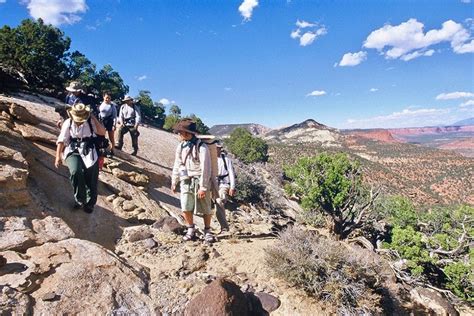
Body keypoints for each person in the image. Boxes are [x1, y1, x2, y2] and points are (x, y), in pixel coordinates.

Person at [55, 103, 106, 213]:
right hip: (73, 150)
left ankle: (90, 203)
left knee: (91, 176)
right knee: (75, 171)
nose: (79, 120)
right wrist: (57, 156)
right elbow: (62, 139)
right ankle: (80, 199)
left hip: (89, 151)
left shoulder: (91, 122)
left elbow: (102, 132)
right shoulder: (68, 122)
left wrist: (92, 117)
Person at [171, 119, 215, 243]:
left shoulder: (202, 147)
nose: (179, 134)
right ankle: (191, 229)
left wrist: (203, 187)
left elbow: (206, 168)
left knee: (205, 207)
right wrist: (174, 180)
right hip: (186, 180)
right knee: (185, 206)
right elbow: (177, 164)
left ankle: (207, 231)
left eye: (180, 132)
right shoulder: (181, 146)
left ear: (186, 133)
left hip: (199, 179)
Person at [214, 144, 236, 232]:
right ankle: (223, 226)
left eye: (217, 148)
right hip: (214, 184)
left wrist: (232, 187)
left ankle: (224, 227)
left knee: (219, 201)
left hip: (224, 184)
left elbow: (231, 173)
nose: (216, 150)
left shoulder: (226, 160)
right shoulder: (210, 159)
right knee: (218, 205)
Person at [98, 92, 117, 157]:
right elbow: (99, 113)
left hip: (110, 121)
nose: (107, 99)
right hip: (102, 121)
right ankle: (102, 148)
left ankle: (112, 149)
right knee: (101, 135)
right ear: (103, 97)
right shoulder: (101, 104)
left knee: (111, 136)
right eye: (106, 97)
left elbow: (115, 116)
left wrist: (114, 125)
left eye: (109, 98)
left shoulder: (112, 106)